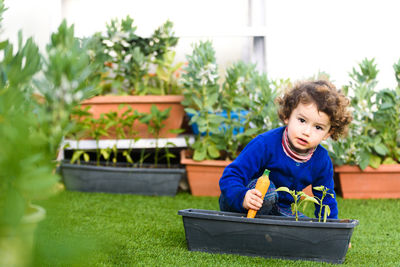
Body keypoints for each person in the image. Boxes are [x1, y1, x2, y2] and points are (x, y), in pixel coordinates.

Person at [219, 80, 352, 219]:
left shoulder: (321, 160)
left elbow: (327, 200)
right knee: (268, 191)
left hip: (280, 208)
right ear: (287, 116)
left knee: (306, 227)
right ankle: (250, 228)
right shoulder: (265, 144)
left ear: (328, 133)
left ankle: (271, 230)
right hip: (242, 201)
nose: (306, 132)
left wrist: (332, 232)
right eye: (302, 120)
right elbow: (231, 175)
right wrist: (242, 196)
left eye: (318, 127)